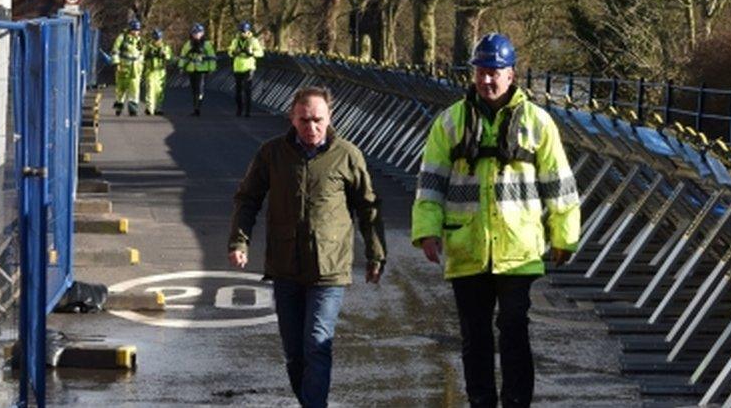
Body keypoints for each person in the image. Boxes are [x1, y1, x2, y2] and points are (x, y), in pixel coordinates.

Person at [411, 33, 580, 408]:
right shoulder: (450, 122)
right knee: (474, 338)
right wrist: (426, 231)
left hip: (518, 251)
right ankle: (481, 402)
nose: (487, 80)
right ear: (473, 74)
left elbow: (560, 184)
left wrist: (563, 236)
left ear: (512, 74)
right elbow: (431, 181)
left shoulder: (538, 123)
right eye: (481, 72)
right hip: (466, 247)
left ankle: (517, 402)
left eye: (495, 73)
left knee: (514, 329)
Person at [228, 86, 386, 408]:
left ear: (330, 118)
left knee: (317, 341)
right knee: (294, 352)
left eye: (318, 120)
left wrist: (376, 253)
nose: (311, 128)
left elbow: (368, 207)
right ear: (292, 117)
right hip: (285, 267)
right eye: (304, 120)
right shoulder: (272, 154)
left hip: (329, 270)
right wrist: (239, 240)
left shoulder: (347, 155)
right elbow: (248, 199)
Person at [177, 23, 216, 116]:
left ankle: (198, 106)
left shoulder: (207, 44)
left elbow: (212, 57)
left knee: (200, 88)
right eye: (194, 33)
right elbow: (183, 56)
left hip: (202, 69)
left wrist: (211, 68)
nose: (196, 35)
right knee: (194, 89)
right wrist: (181, 67)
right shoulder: (188, 44)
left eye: (198, 33)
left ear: (202, 33)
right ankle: (195, 107)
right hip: (191, 69)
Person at [227, 20, 265, 117]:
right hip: (238, 67)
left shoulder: (253, 40)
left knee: (247, 90)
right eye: (241, 31)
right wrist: (233, 53)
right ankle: (239, 109)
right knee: (238, 91)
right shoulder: (235, 41)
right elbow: (230, 51)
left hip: (249, 67)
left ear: (248, 31)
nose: (243, 33)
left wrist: (252, 53)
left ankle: (247, 111)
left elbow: (261, 53)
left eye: (244, 31)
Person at [110, 19, 146, 116]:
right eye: (134, 30)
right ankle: (119, 106)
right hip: (123, 67)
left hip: (135, 69)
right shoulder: (122, 38)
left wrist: (141, 66)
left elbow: (142, 53)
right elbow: (115, 50)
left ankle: (133, 108)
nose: (136, 32)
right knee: (121, 88)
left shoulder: (140, 40)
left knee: (134, 88)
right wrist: (116, 63)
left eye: (138, 30)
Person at [143, 28, 172, 115]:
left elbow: (169, 57)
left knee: (159, 91)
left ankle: (158, 108)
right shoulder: (148, 46)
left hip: (160, 72)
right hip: (150, 71)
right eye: (155, 39)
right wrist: (148, 54)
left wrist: (164, 54)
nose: (157, 41)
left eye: (158, 39)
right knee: (150, 90)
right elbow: (142, 55)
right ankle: (149, 108)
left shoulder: (165, 47)